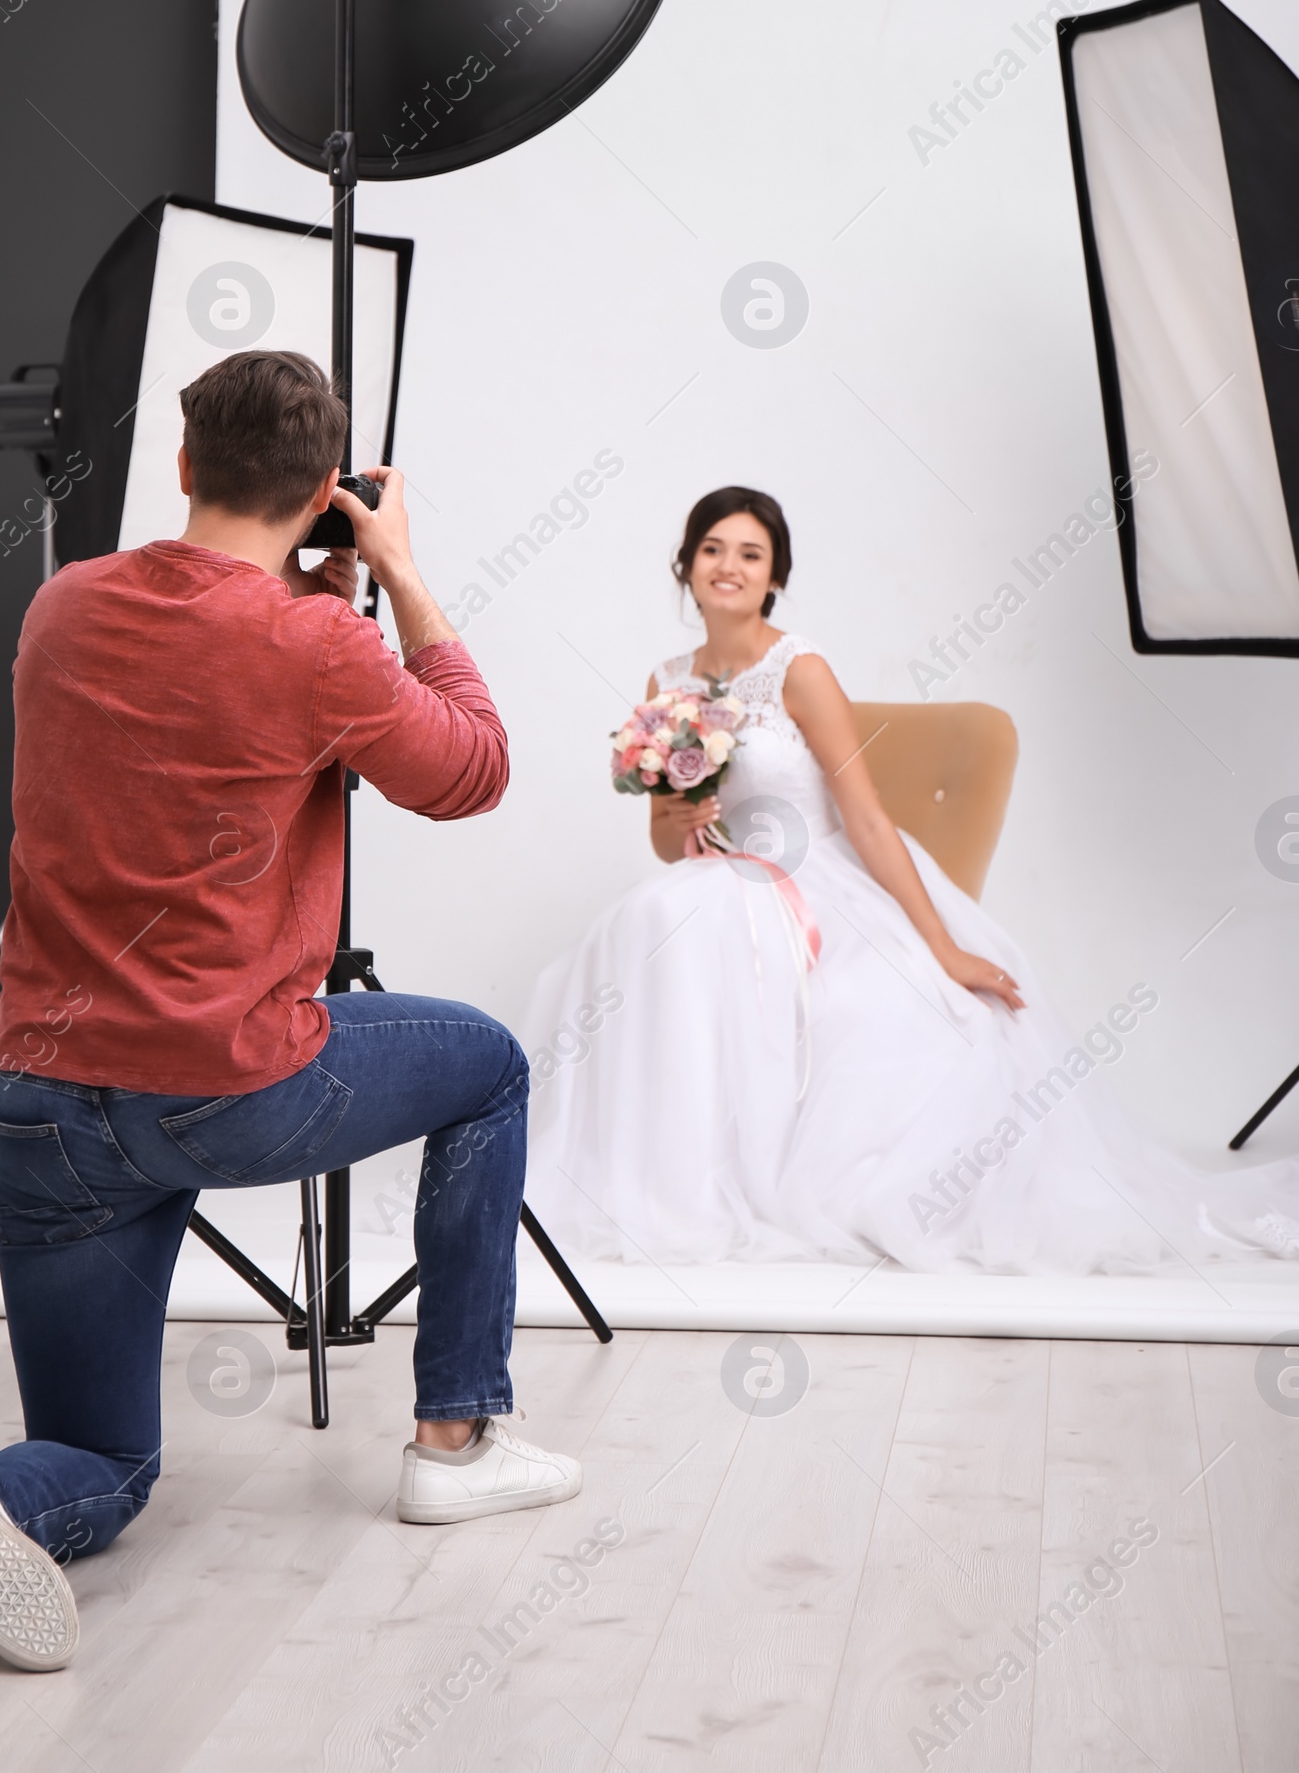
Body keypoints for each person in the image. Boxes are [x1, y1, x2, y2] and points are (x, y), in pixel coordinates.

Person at [0, 351, 580, 1675]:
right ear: (328, 491)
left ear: (182, 467)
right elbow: (472, 770)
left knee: (101, 1457)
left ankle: (5, 1496)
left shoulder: (63, 608)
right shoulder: (319, 641)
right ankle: (457, 1440)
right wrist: (398, 583)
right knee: (489, 1067)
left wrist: (319, 610)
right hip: (223, 1089)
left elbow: (200, 684)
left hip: (40, 1097)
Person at [525, 485, 1299, 1276]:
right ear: (685, 565)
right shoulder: (666, 685)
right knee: (651, 921)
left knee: (794, 971)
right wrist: (686, 818)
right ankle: (672, 1180)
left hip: (818, 881)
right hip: (721, 882)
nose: (729, 566)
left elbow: (864, 818)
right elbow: (663, 842)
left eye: (750, 554)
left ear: (774, 577)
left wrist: (944, 946)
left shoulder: (799, 669)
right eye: (713, 549)